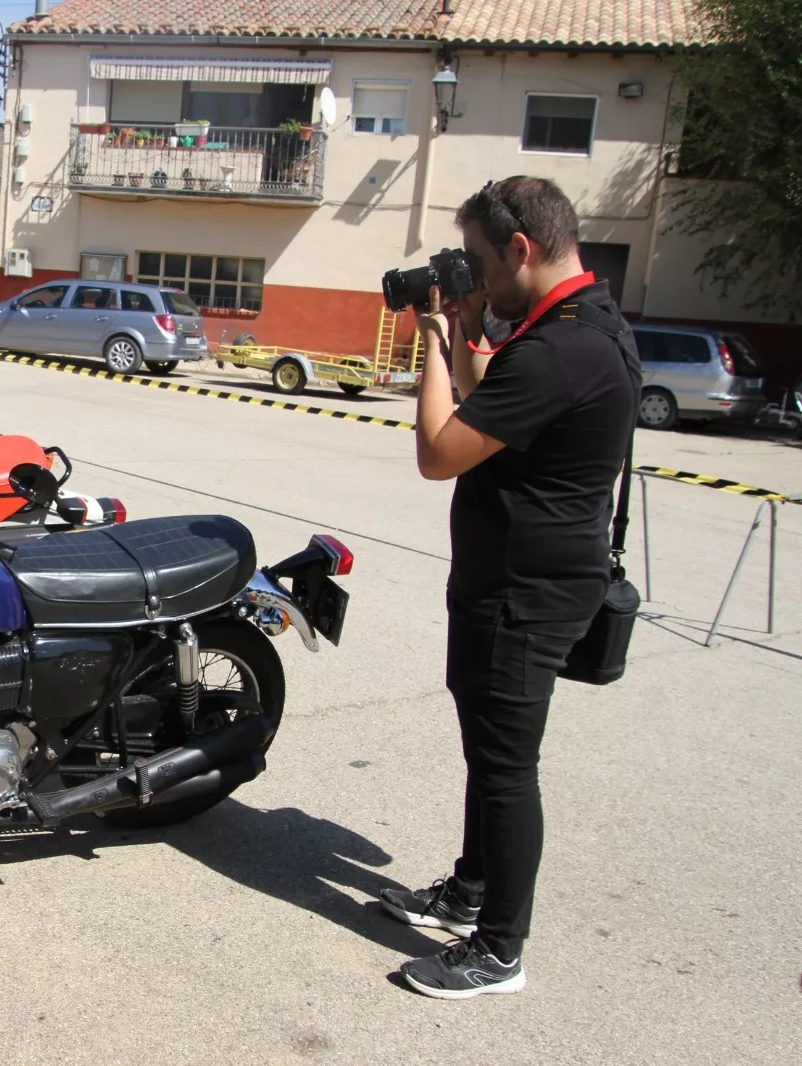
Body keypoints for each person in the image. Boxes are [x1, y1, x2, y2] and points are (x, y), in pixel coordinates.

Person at [380, 177, 640, 999]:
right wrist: (462, 330)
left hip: (523, 593)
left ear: (522, 248)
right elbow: (495, 394)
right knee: (488, 751)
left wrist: (427, 338)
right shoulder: (586, 323)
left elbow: (440, 450)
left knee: (504, 766)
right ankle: (470, 890)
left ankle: (498, 949)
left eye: (484, 264)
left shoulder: (560, 348)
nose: (477, 279)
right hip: (521, 579)